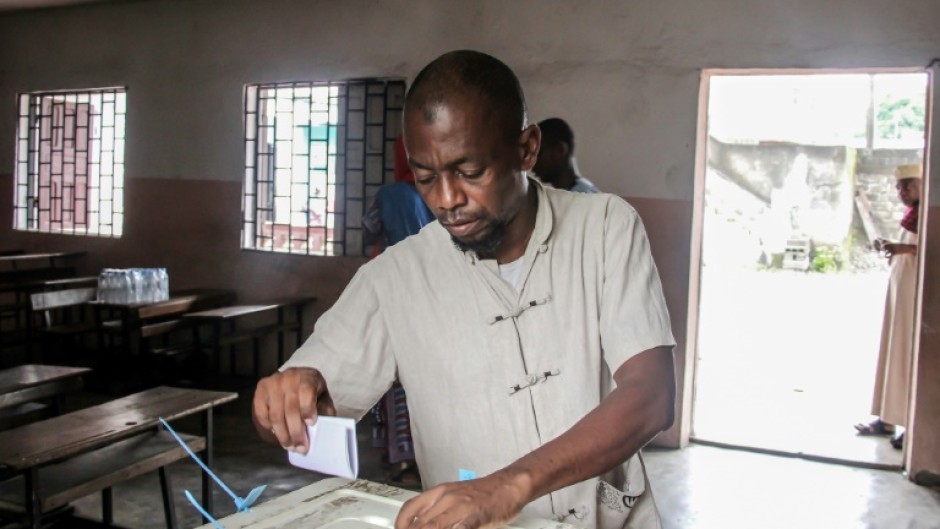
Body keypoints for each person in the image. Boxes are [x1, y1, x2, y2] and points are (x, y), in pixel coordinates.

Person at [253, 50, 676, 529]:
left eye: (470, 173)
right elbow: (294, 414)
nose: (447, 199)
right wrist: (283, 404)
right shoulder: (396, 277)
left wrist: (509, 485)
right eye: (425, 177)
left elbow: (650, 396)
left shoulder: (604, 227)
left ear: (526, 149)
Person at [361, 135, 434, 486]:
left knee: (391, 378)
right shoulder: (440, 192)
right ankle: (427, 457)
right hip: (434, 295)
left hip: (393, 294)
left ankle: (400, 457)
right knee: (426, 381)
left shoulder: (389, 195)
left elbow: (368, 230)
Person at [855, 163, 922, 450]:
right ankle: (888, 419)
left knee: (909, 356)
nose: (902, 192)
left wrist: (903, 249)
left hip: (917, 298)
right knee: (893, 353)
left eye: (908, 185)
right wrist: (894, 248)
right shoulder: (913, 216)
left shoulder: (929, 216)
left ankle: (913, 424)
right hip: (901, 293)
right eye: (898, 187)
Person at [532, 117, 600, 193]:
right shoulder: (567, 194)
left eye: (537, 154)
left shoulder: (584, 196)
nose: (532, 164)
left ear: (560, 150)